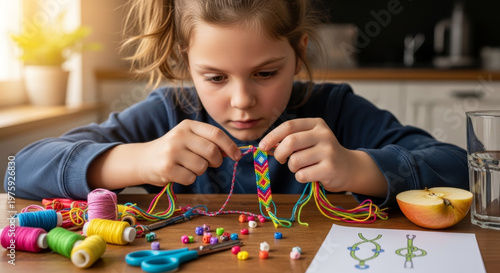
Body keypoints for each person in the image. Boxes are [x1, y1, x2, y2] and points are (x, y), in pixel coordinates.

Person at [4, 0, 467, 208]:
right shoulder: (168, 113)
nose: (242, 101)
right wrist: (136, 159)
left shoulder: (336, 110)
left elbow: (459, 168)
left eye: (266, 74)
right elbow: (19, 170)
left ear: (299, 53)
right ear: (188, 63)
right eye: (215, 77)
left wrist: (356, 167)